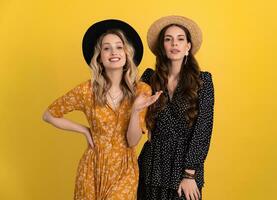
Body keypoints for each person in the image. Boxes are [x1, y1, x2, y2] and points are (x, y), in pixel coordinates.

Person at [42, 19, 161, 200]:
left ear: (127, 54)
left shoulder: (141, 90)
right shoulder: (86, 90)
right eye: (107, 48)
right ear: (99, 56)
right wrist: (83, 129)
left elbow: (132, 141)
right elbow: (49, 114)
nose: (114, 52)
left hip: (124, 169)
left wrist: (135, 110)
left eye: (119, 47)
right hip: (92, 168)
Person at [136, 16, 215, 200]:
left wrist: (189, 174)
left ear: (188, 46)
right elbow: (131, 116)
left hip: (186, 169)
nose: (174, 43)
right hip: (152, 165)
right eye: (168, 39)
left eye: (180, 39)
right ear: (162, 47)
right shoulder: (149, 79)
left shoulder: (203, 81)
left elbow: (203, 128)